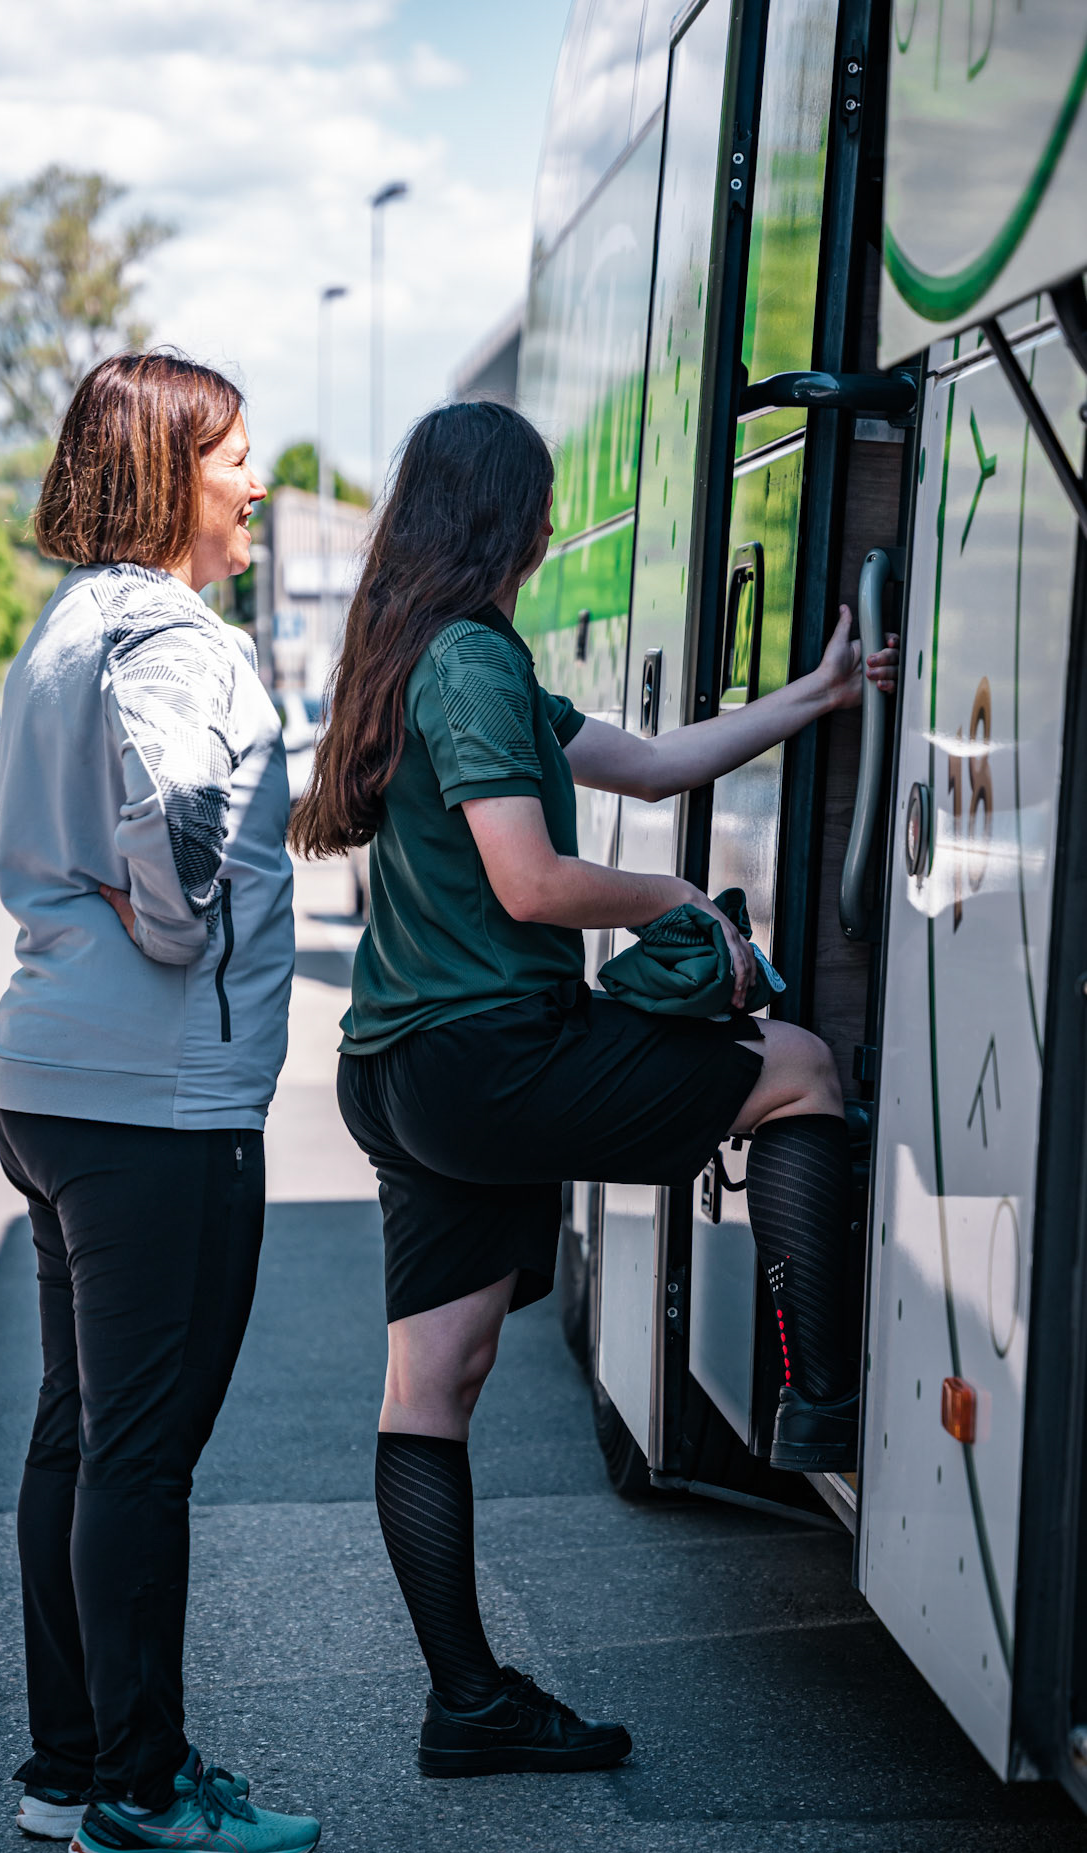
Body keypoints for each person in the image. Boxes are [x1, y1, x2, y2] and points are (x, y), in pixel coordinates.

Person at [291, 400, 898, 1780]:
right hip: (486, 1057)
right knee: (794, 1066)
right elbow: (532, 883)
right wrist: (682, 901)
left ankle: (467, 1704)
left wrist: (819, 694)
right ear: (515, 518)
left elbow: (652, 759)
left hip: (397, 1069)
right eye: (547, 504)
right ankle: (816, 1405)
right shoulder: (469, 667)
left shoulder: (427, 657)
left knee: (431, 1380)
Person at [0, 349, 321, 1853]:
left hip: (56, 1084)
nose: (256, 483)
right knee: (139, 1457)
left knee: (81, 1438)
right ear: (173, 474)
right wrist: (179, 925)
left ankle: (74, 1766)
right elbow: (183, 824)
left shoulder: (66, 630)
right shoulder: (172, 639)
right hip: (156, 1104)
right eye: (236, 456)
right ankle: (139, 1792)